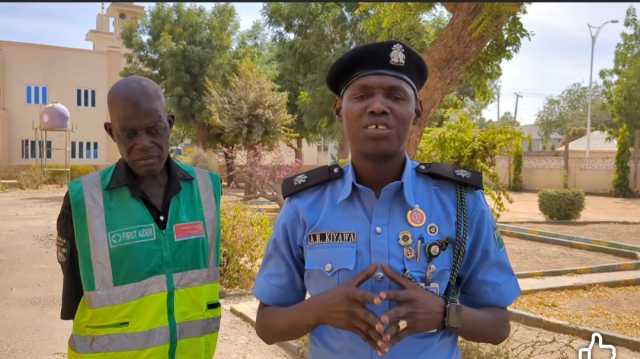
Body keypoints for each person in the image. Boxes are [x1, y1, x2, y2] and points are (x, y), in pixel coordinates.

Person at [252, 40, 520, 358]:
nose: (378, 106)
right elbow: (268, 325)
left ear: (417, 109)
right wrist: (319, 310)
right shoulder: (305, 205)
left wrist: (444, 314)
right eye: (362, 95)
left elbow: (498, 325)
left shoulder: (461, 203)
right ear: (339, 108)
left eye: (395, 96)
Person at [56, 76, 222, 358]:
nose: (144, 143)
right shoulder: (83, 201)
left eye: (154, 129)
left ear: (169, 124)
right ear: (111, 132)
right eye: (130, 134)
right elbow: (77, 300)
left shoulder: (207, 190)